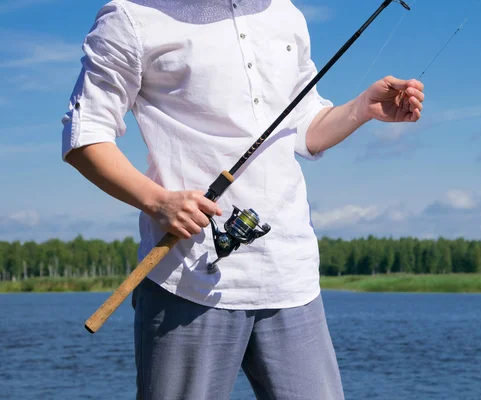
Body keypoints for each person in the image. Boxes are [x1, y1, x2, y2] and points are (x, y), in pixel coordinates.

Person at [61, 0, 424, 398]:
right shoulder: (130, 16)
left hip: (292, 276)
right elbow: (84, 135)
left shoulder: (287, 14)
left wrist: (362, 108)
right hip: (187, 278)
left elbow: (305, 131)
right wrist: (158, 201)